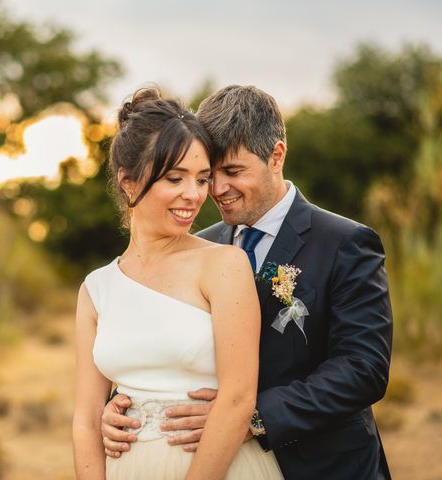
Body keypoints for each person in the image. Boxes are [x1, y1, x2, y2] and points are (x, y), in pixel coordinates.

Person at [101, 85, 393, 480]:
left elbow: (363, 368)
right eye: (209, 174)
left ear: (276, 156)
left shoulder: (344, 243)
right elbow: (168, 347)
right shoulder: (198, 246)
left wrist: (250, 416)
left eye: (233, 172)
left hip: (325, 465)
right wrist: (123, 407)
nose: (217, 189)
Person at [72, 87, 283, 479]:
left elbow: (238, 400)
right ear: (128, 182)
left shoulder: (224, 265)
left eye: (202, 179)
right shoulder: (96, 289)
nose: (195, 195)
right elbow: (86, 418)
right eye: (175, 177)